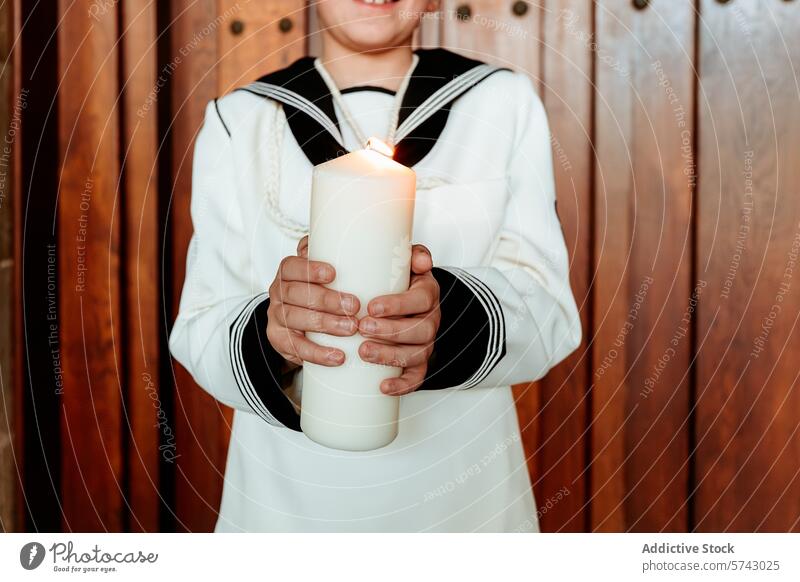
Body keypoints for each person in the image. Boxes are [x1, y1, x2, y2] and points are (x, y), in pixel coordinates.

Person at [169, 0, 581, 532]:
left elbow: (549, 312)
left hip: (462, 502)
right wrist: (274, 333)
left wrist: (447, 318)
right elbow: (201, 326)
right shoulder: (240, 120)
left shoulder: (501, 103)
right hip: (290, 504)